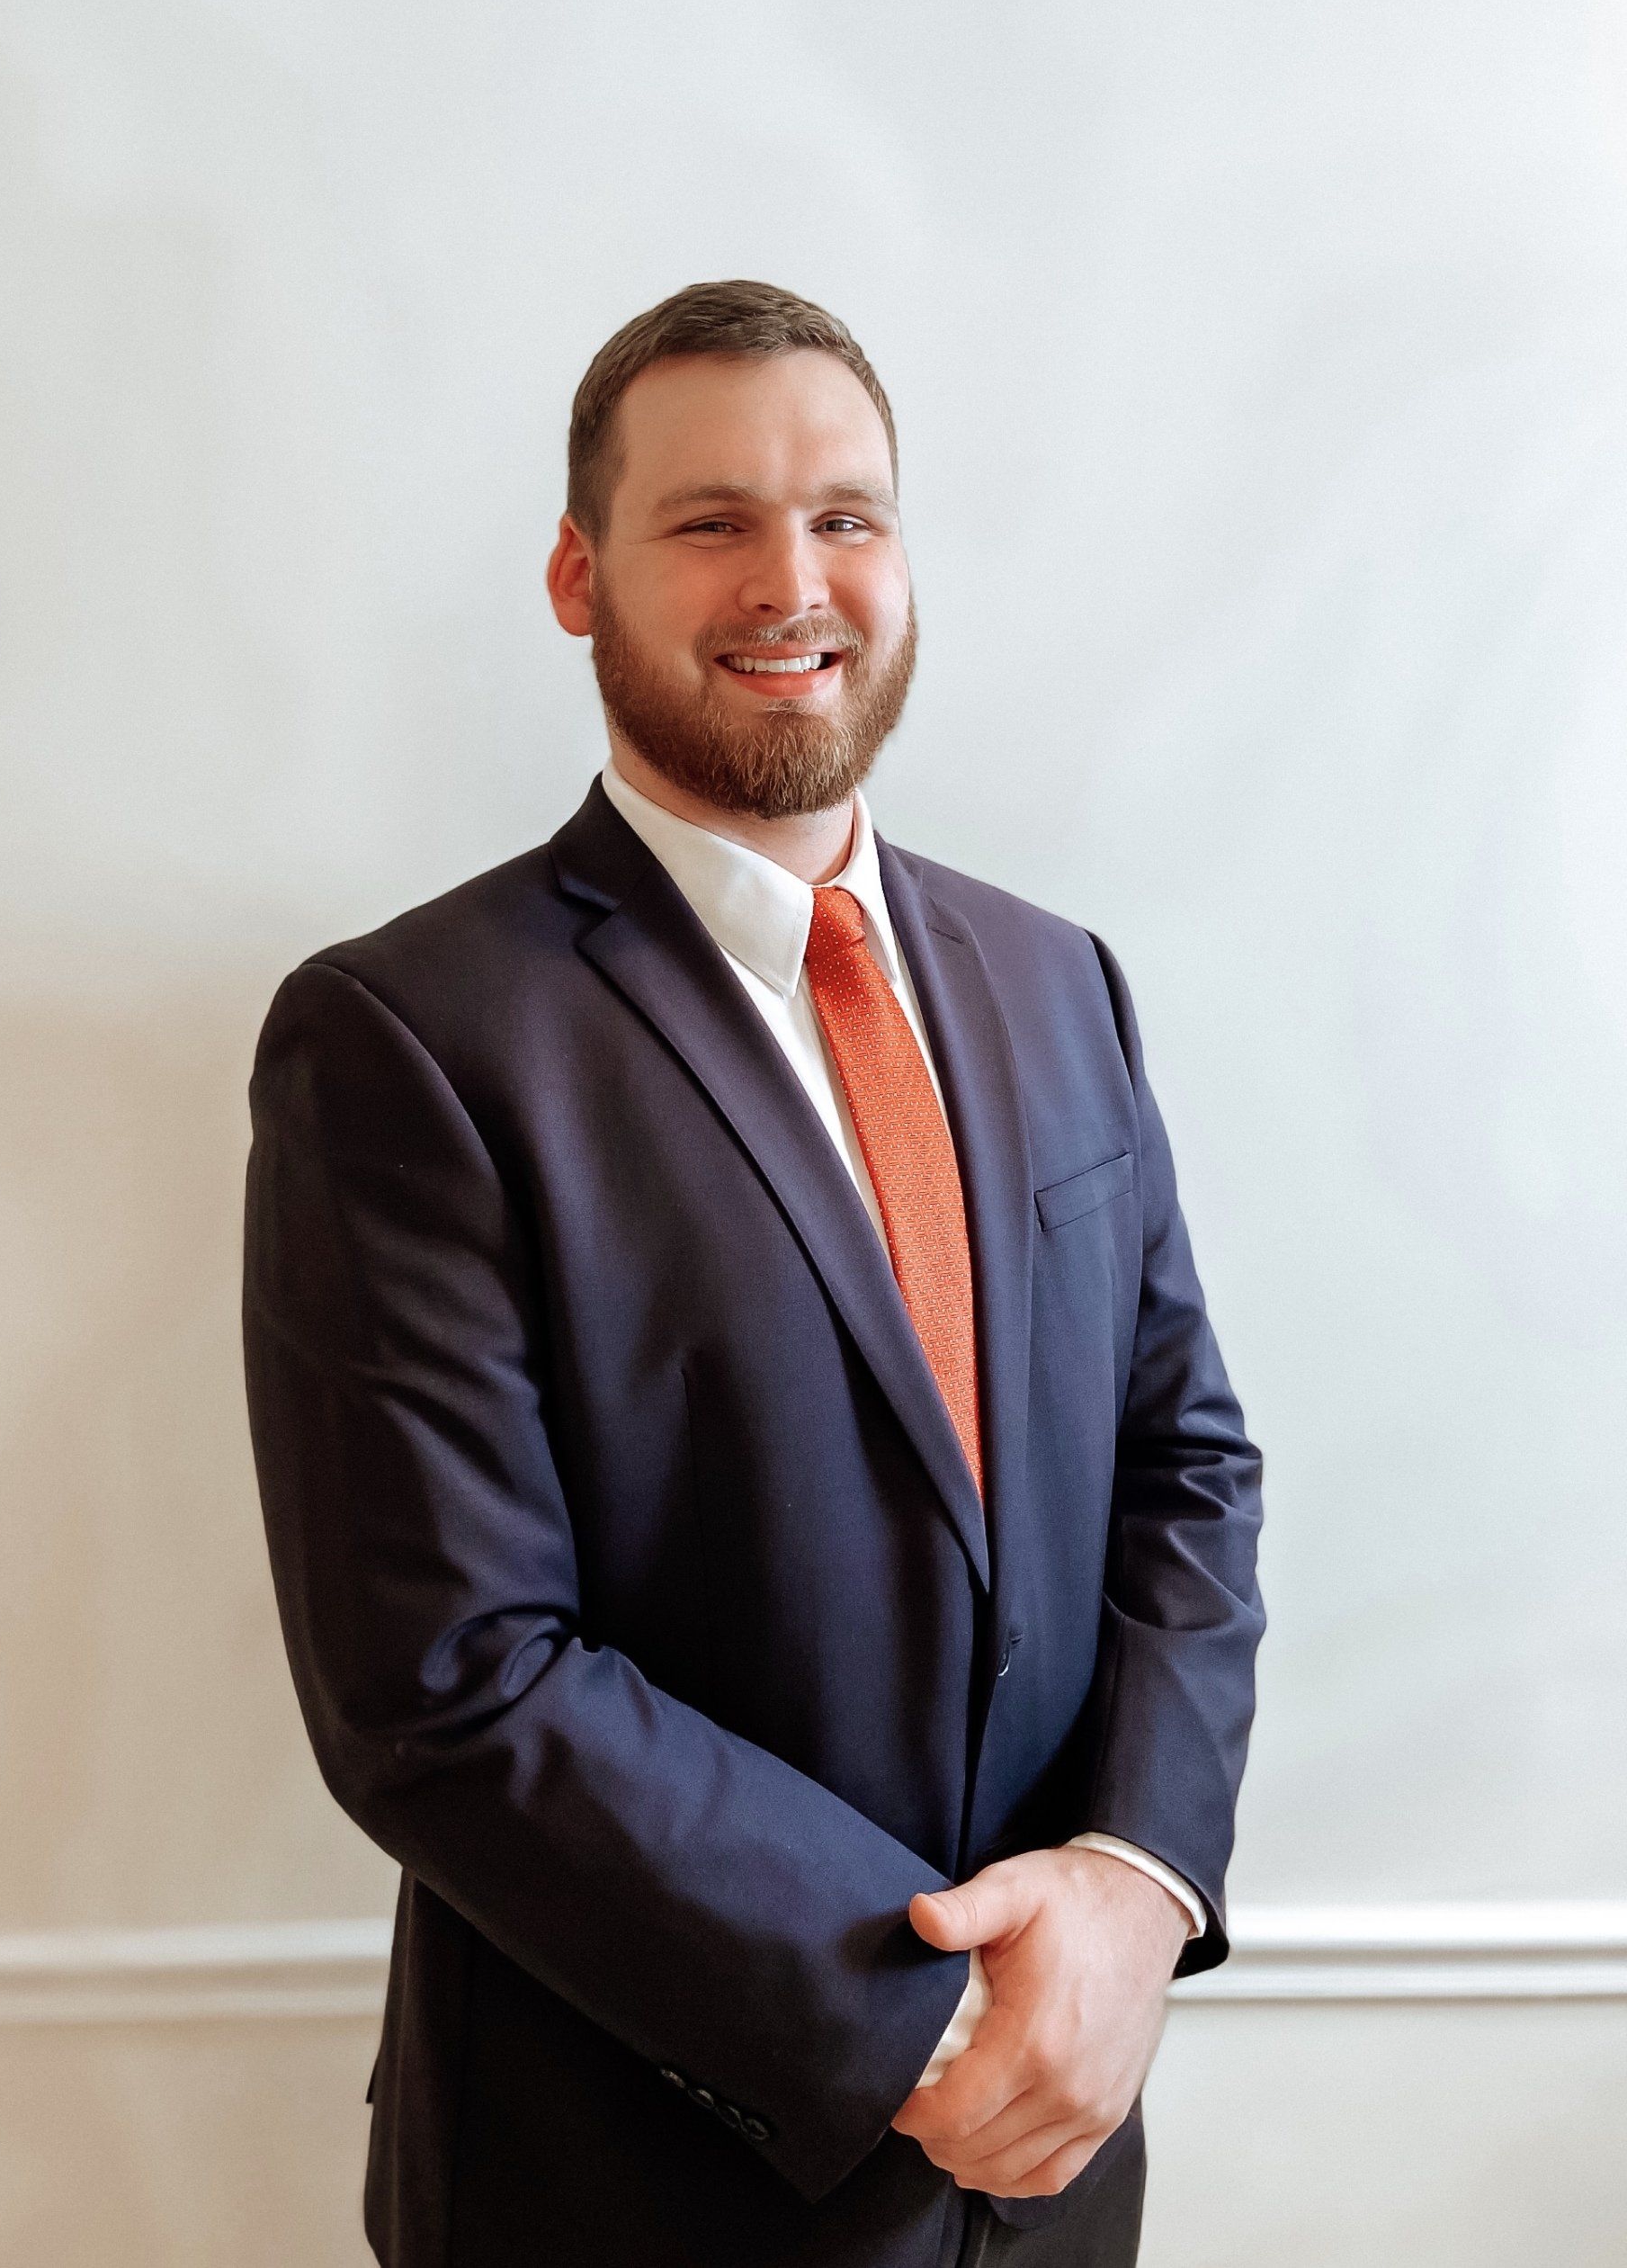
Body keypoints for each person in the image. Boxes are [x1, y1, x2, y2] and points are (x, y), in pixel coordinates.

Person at [242, 279, 1265, 2268]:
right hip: (632, 2177)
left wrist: (1137, 1884)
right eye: (711, 520)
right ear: (579, 574)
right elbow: (445, 1680)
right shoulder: (408, 1038)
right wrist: (933, 2018)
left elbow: (1186, 1468)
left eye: (845, 517)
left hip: (1054, 2165)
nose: (792, 582)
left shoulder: (1059, 984)